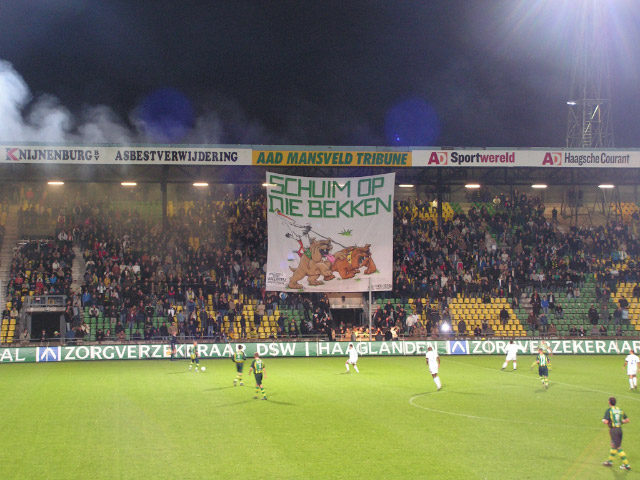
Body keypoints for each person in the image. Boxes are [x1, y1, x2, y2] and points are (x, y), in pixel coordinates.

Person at [602, 396, 631, 470]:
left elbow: (606, 421)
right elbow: (627, 420)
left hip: (613, 431)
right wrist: (620, 422)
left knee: (618, 447)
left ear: (609, 402)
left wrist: (603, 420)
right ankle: (610, 462)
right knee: (613, 445)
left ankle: (627, 465)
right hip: (619, 430)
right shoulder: (620, 410)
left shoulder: (609, 410)